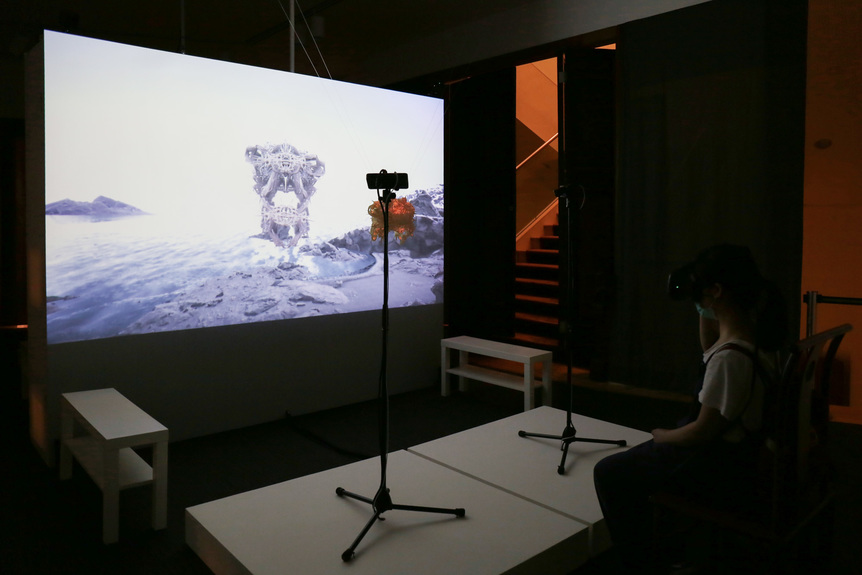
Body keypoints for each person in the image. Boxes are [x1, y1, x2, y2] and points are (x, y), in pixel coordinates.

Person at [592, 244, 788, 571]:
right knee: (638, 460)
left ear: (716, 291)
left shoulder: (729, 360)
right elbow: (709, 348)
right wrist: (703, 306)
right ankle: (668, 545)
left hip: (718, 470)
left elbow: (700, 432)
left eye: (700, 288)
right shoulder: (753, 343)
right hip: (737, 457)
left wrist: (662, 436)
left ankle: (644, 562)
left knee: (609, 472)